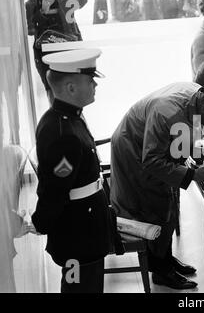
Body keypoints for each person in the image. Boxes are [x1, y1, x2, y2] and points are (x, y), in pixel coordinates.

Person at [110, 82, 204, 290]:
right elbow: (151, 160)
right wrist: (193, 174)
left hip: (150, 144)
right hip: (133, 150)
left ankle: (164, 259)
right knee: (157, 204)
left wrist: (196, 152)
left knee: (168, 202)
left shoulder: (197, 97)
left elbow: (187, 128)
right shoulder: (167, 113)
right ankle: (161, 270)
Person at [31, 49, 122, 293]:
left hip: (87, 227)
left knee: (88, 287)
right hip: (77, 234)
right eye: (90, 80)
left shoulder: (69, 118)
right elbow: (54, 189)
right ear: (70, 88)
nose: (94, 85)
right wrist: (41, 222)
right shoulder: (63, 133)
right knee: (80, 290)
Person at [25, 0, 88, 104]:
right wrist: (42, 11)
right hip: (47, 56)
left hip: (71, 51)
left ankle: (74, 118)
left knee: (76, 90)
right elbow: (30, 30)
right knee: (54, 94)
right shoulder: (31, 5)